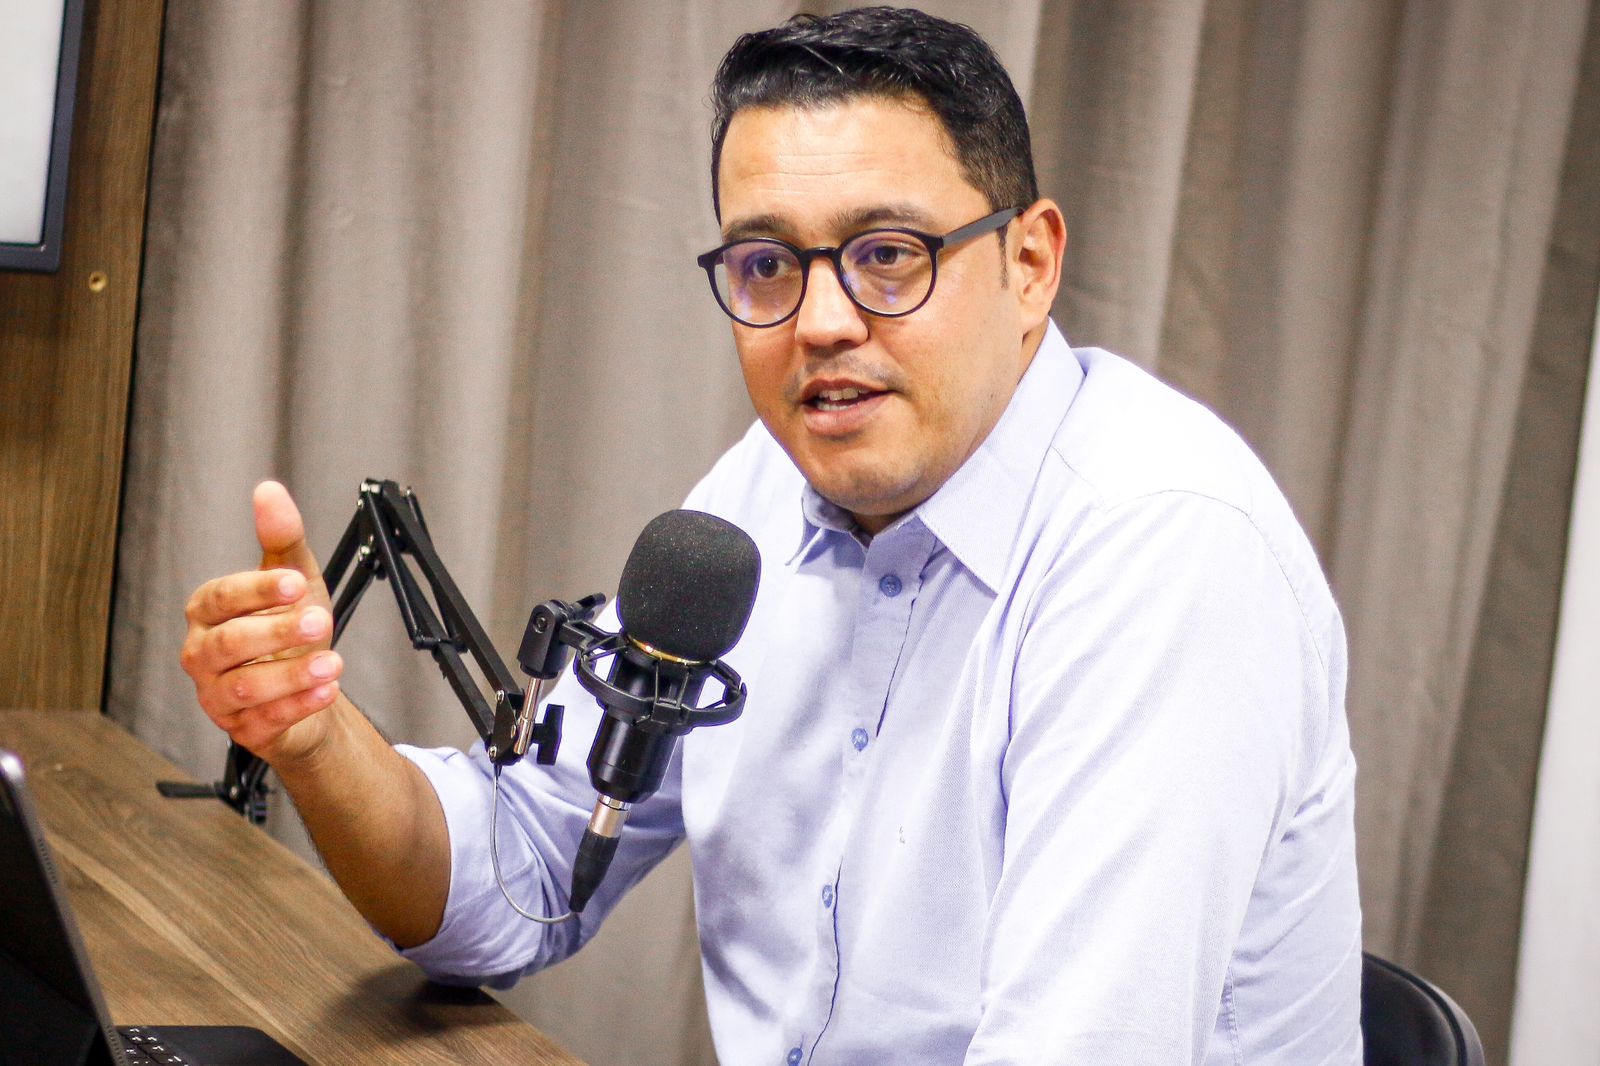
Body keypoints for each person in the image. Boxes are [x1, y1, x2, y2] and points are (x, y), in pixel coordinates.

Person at [180, 8, 1362, 1063]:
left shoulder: (1163, 550)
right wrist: (314, 734)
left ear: (1030, 262)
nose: (823, 321)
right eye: (765, 264)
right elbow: (519, 872)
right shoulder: (765, 489)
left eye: (887, 255)